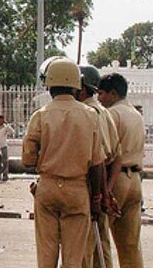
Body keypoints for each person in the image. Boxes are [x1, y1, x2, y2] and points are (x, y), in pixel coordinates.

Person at [23, 57, 105, 267]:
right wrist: (96, 198)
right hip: (77, 189)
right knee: (74, 256)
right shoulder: (90, 116)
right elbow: (97, 163)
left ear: (50, 86)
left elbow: (27, 159)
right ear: (77, 86)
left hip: (48, 187)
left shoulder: (40, 116)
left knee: (46, 254)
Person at [98, 73, 146, 267]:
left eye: (102, 93)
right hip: (135, 179)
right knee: (130, 244)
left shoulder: (111, 114)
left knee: (100, 239)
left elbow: (107, 152)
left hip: (116, 179)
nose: (99, 98)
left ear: (113, 93)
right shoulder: (136, 115)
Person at [77, 65, 121, 268]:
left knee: (85, 249)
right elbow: (116, 156)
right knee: (101, 247)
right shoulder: (104, 111)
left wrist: (99, 195)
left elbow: (99, 160)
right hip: (99, 187)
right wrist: (107, 192)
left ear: (82, 88)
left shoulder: (90, 113)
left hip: (89, 186)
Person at [0, 115, 14, 182]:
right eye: (1, 119)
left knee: (5, 162)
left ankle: (5, 175)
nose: (2, 121)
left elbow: (12, 132)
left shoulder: (6, 127)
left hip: (3, 146)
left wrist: (7, 125)